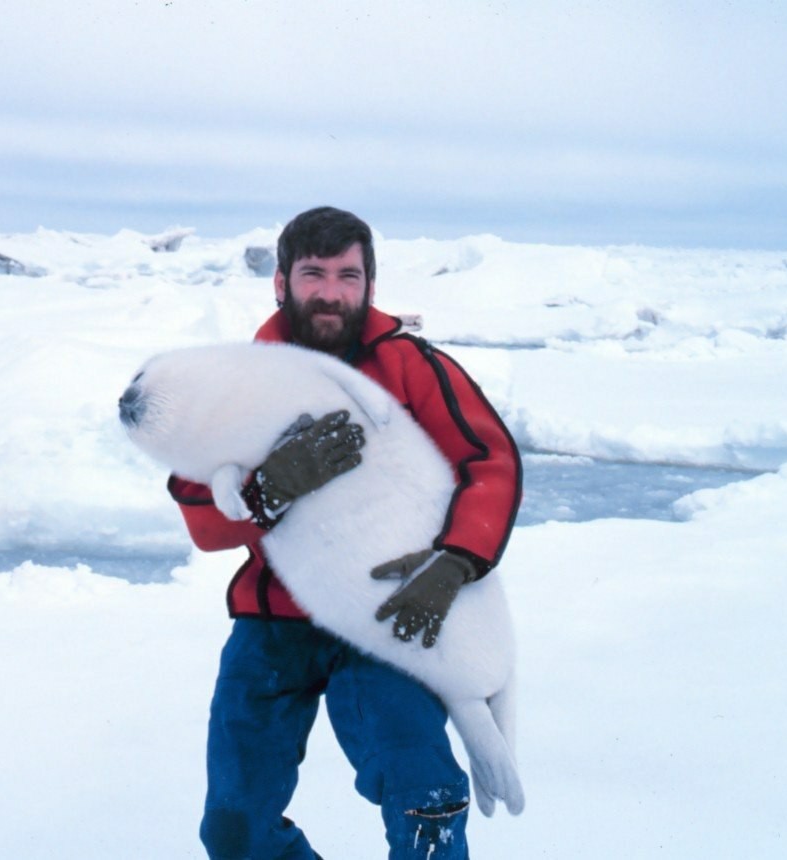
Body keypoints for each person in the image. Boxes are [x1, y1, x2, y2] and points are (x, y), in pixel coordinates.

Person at [167, 206, 521, 859]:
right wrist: (270, 490)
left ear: (370, 286)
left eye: (348, 275)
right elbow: (201, 516)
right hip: (276, 617)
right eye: (313, 274)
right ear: (282, 283)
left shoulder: (410, 367)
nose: (331, 292)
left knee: (426, 795)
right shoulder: (242, 380)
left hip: (386, 615)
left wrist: (453, 563)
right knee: (235, 827)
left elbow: (487, 463)